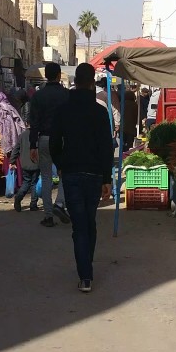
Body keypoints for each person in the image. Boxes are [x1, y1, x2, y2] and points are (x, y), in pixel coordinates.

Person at [49, 64, 115, 293]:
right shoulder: (99, 112)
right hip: (94, 175)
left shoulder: (63, 110)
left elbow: (54, 143)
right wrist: (107, 178)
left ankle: (85, 275)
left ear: (75, 82)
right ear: (92, 82)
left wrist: (61, 164)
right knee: (90, 221)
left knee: (79, 226)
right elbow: (106, 147)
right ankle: (87, 264)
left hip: (72, 174)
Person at [27, 62, 70, 228]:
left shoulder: (38, 96)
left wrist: (32, 145)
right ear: (59, 75)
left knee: (45, 177)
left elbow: (34, 122)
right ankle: (59, 203)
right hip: (63, 139)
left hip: (44, 139)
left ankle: (48, 215)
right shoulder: (67, 95)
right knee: (65, 173)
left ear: (45, 75)